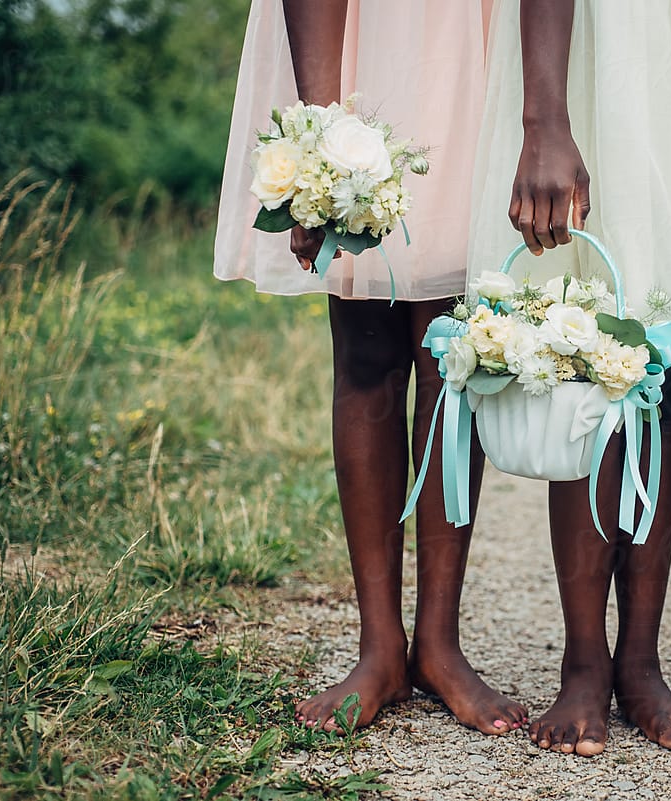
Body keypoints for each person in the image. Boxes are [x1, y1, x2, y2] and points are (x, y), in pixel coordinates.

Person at [213, 0, 529, 736]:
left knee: (453, 348)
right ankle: (380, 644)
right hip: (352, 39)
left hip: (467, 41)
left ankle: (439, 642)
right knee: (364, 343)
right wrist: (321, 142)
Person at [466, 0, 671, 756]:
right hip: (591, 56)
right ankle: (584, 659)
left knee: (659, 367)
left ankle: (642, 660)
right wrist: (544, 121)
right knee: (582, 359)